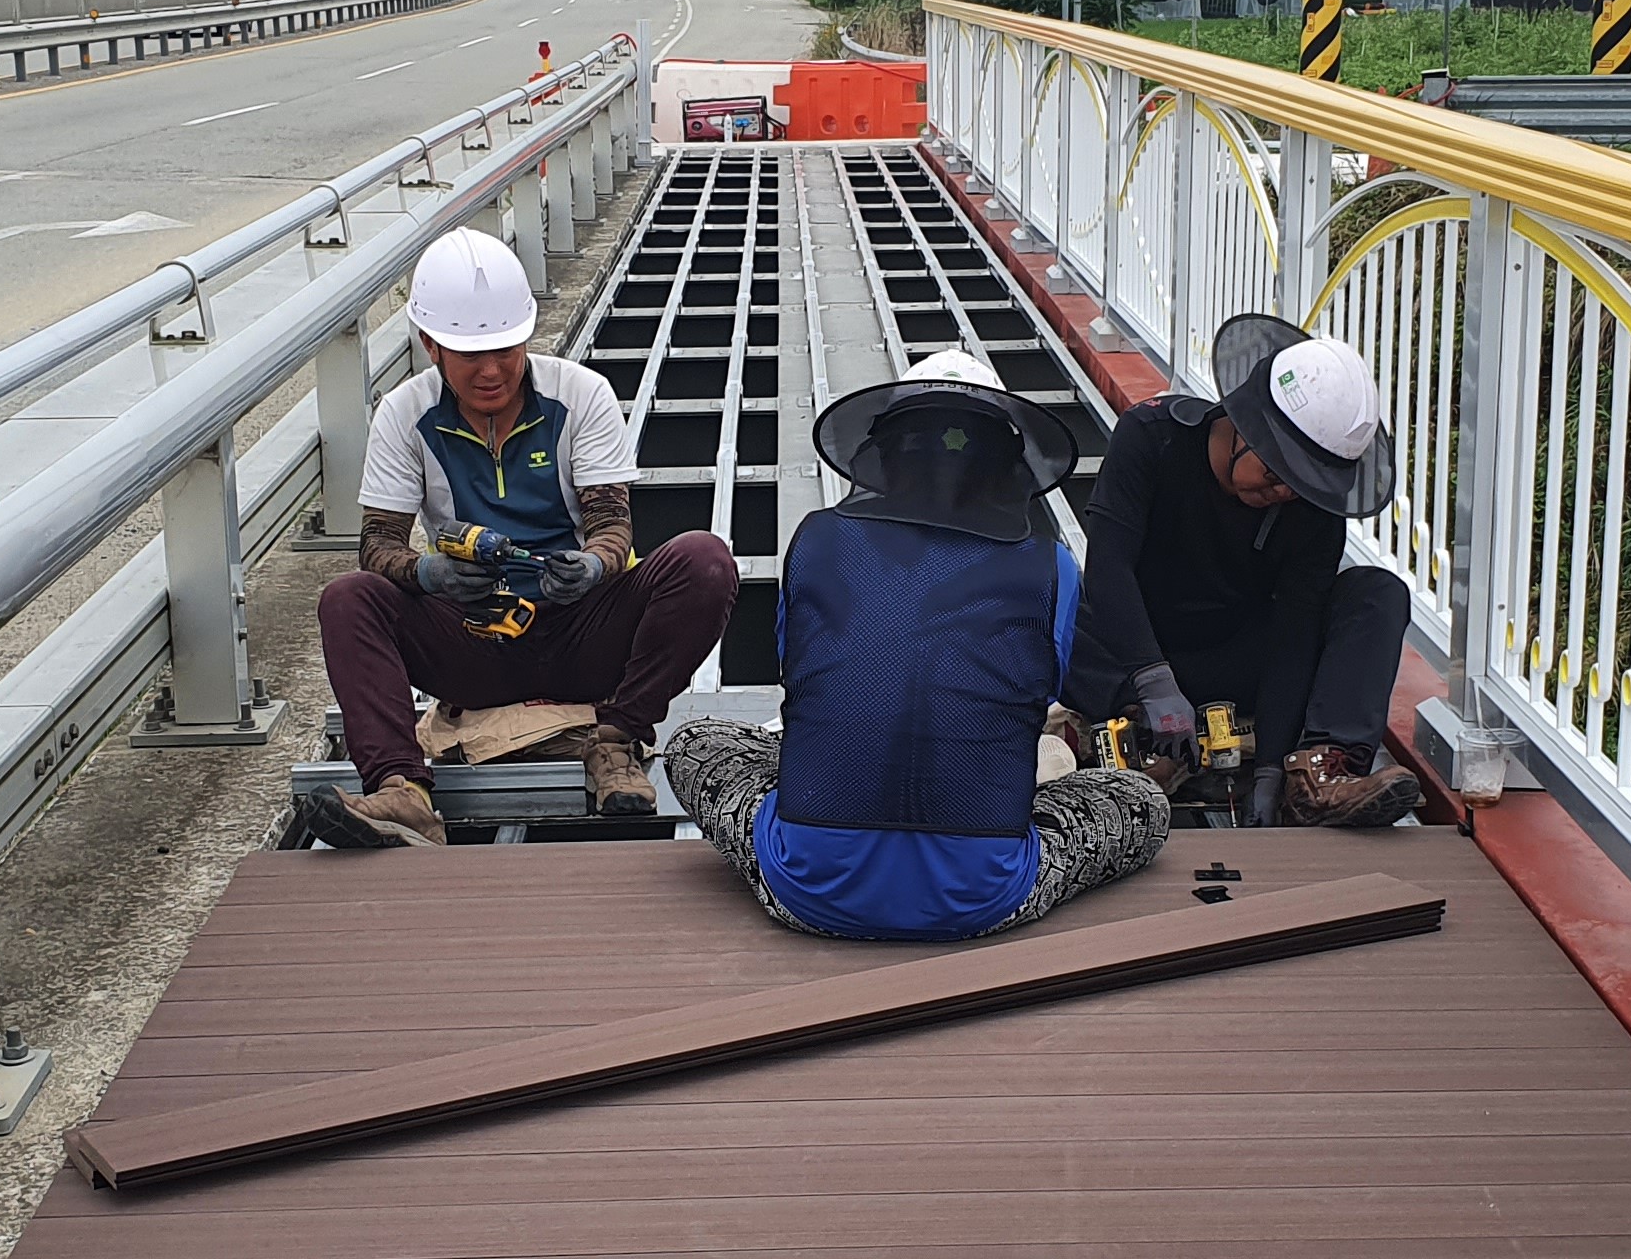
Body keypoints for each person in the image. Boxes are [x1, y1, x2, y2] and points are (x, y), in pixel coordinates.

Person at [664, 352, 1169, 939]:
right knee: (1140, 799)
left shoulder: (816, 541)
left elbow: (799, 669)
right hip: (981, 896)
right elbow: (1045, 689)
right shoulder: (1051, 566)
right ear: (1006, 467)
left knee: (695, 742)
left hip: (807, 888)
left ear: (885, 455)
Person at [309, 228, 739, 847]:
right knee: (347, 599)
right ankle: (404, 791)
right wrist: (429, 574)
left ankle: (617, 740)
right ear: (431, 345)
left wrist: (593, 566)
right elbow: (378, 544)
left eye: (506, 350)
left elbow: (612, 523)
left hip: (583, 636)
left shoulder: (580, 394)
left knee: (704, 560)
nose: (491, 372)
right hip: (475, 642)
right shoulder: (403, 415)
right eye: (469, 356)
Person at [1061, 313, 1419, 827]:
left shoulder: (1312, 509)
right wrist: (1153, 681)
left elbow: (1295, 631)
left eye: (1301, 484)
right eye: (1275, 473)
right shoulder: (1151, 437)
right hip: (1127, 653)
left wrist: (1269, 767)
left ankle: (1317, 773)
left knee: (1377, 592)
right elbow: (1108, 568)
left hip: (1233, 657)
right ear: (1242, 427)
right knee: (1047, 592)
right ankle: (1142, 735)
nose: (1285, 493)